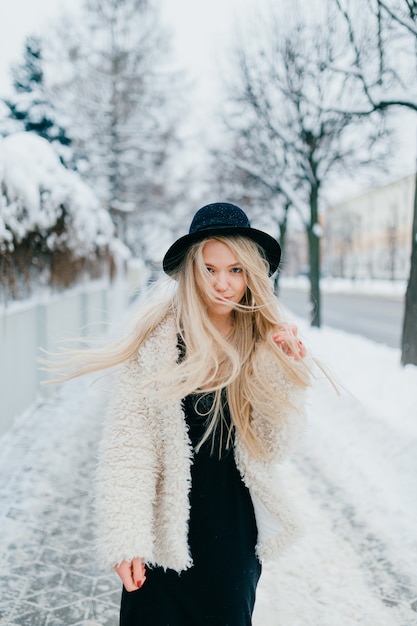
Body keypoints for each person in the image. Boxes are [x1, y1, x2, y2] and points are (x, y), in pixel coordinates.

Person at [49, 202, 311, 626]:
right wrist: (126, 539)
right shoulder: (159, 342)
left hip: (231, 532)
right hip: (161, 530)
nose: (223, 283)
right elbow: (128, 445)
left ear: (251, 273)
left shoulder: (264, 341)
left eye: (236, 270)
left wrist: (284, 373)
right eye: (210, 269)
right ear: (191, 271)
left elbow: (276, 446)